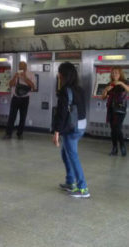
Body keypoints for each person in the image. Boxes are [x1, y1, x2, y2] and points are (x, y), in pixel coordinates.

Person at [53, 62, 89, 198]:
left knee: (72, 156)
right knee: (65, 153)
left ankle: (83, 188)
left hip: (71, 128)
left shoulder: (64, 91)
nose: (58, 75)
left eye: (59, 72)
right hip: (80, 125)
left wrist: (56, 131)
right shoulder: (79, 89)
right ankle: (70, 182)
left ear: (63, 75)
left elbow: (61, 113)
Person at [4, 61, 35, 139]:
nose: (21, 68)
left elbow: (33, 86)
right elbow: (10, 85)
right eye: (19, 67)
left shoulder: (31, 74)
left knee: (23, 117)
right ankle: (8, 134)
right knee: (12, 116)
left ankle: (20, 134)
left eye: (22, 67)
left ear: (26, 67)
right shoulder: (16, 74)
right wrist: (15, 77)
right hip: (15, 98)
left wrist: (24, 78)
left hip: (25, 99)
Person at [102, 67, 129, 156]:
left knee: (117, 128)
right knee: (113, 129)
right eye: (113, 73)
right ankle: (115, 148)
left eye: (116, 73)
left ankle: (122, 145)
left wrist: (121, 83)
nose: (114, 74)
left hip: (120, 109)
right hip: (111, 109)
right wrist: (106, 90)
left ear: (120, 74)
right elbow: (103, 98)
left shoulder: (125, 82)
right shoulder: (109, 84)